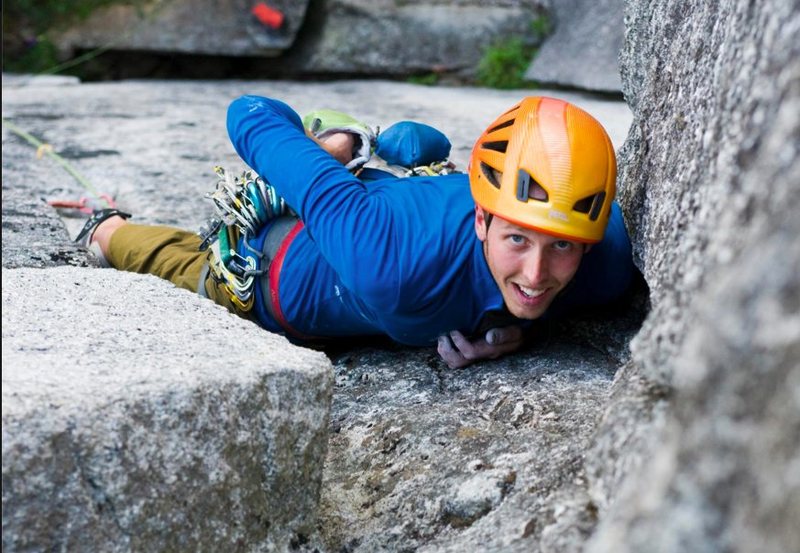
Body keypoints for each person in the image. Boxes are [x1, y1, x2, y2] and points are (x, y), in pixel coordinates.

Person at [77, 95, 634, 368]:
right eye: (517, 240)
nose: (537, 275)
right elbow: (248, 113)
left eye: (561, 246)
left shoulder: (604, 260)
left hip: (378, 200)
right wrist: (339, 145)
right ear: (482, 215)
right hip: (269, 268)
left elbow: (543, 278)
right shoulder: (393, 265)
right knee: (171, 261)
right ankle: (105, 226)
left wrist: (521, 332)